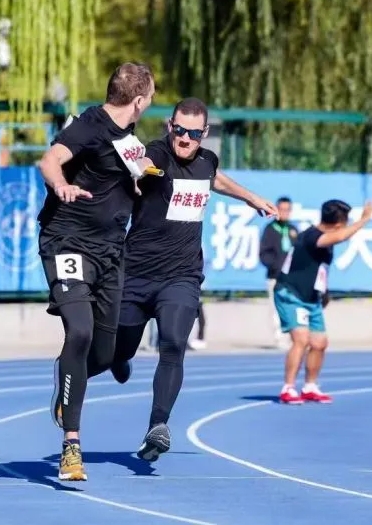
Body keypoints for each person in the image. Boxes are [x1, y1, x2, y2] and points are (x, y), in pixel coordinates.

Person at [102, 97, 277, 462]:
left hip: (182, 275)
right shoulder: (159, 154)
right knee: (121, 350)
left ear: (204, 133)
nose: (185, 139)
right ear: (170, 126)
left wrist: (249, 197)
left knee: (173, 344)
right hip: (137, 274)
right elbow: (144, 162)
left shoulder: (207, 160)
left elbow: (214, 178)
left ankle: (158, 426)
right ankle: (119, 358)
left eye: (194, 134)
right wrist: (137, 169)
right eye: (179, 130)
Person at [37, 62, 157, 481]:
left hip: (111, 252)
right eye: (151, 97)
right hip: (68, 244)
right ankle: (71, 446)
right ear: (139, 101)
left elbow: (135, 182)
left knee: (105, 354)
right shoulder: (89, 125)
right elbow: (50, 159)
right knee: (80, 332)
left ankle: (68, 376)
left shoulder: (131, 141)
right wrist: (61, 185)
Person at [274, 199, 372, 404]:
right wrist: (364, 220)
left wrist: (323, 291)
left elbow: (319, 268)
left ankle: (310, 386)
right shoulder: (313, 236)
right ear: (338, 224)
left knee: (319, 343)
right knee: (301, 340)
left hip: (311, 297)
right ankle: (288, 387)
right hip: (291, 294)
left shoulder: (324, 240)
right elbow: (339, 237)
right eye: (345, 223)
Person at [259, 196, 297, 348]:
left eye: (287, 210)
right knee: (276, 308)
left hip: (292, 279)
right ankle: (279, 338)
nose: (284, 213)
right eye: (281, 209)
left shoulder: (293, 230)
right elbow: (264, 254)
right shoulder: (270, 230)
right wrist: (276, 266)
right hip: (275, 277)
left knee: (292, 307)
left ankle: (292, 337)